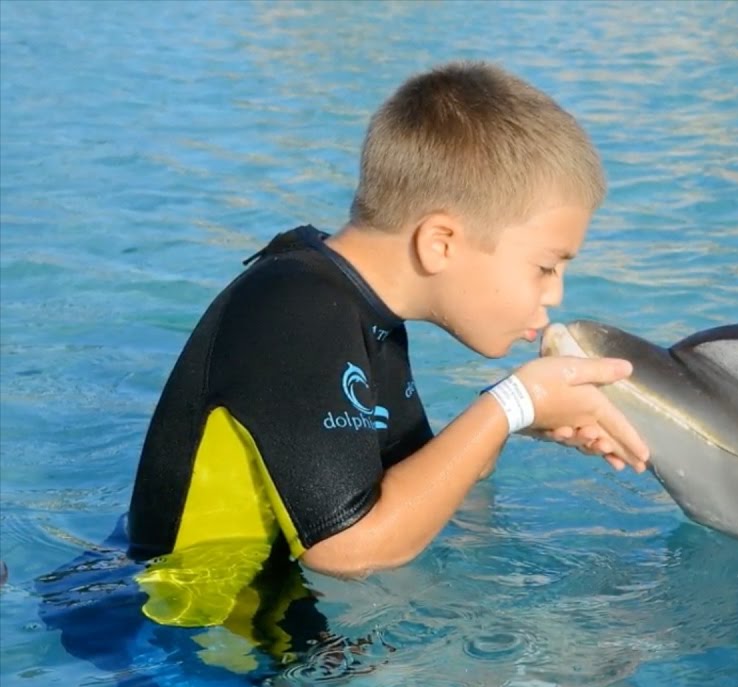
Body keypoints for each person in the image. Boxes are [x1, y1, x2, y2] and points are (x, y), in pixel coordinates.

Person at [124, 60, 651, 630]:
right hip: (177, 646)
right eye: (545, 266)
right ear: (441, 243)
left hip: (256, 623)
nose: (555, 294)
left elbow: (408, 484)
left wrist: (517, 419)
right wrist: (512, 404)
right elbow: (350, 549)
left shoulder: (359, 311)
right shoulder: (297, 311)